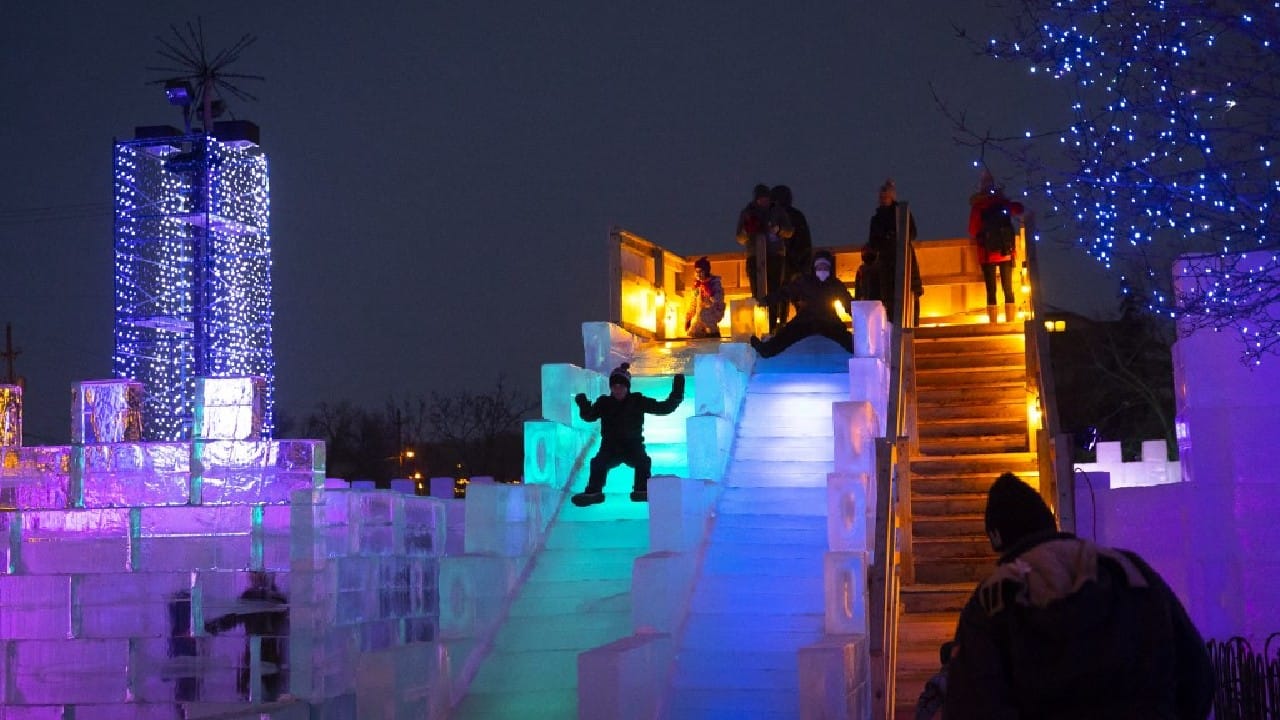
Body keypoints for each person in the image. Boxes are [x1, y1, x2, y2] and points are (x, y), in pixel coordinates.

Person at [943, 473, 1215, 720]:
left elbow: (970, 703)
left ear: (998, 539)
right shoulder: (1127, 570)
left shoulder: (994, 600)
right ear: (1050, 522)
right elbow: (1196, 673)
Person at [572, 363, 685, 507]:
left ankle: (641, 489)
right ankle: (593, 492)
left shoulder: (637, 401)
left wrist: (677, 391)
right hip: (610, 448)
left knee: (643, 461)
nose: (618, 389)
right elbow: (589, 416)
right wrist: (583, 402)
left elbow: (664, 408)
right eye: (615, 386)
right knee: (598, 463)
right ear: (611, 388)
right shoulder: (604, 403)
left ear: (627, 387)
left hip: (633, 446)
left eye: (621, 386)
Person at [749, 249, 854, 358]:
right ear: (814, 268)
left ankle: (860, 349)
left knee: (846, 339)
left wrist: (862, 317)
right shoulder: (805, 282)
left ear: (830, 269)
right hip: (806, 320)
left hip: (828, 320)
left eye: (825, 267)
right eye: (819, 267)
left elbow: (848, 303)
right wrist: (766, 301)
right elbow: (786, 292)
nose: (822, 270)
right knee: (787, 334)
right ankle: (766, 349)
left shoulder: (835, 284)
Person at [204, 571, 290, 702]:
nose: (254, 578)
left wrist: (208, 627)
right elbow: (232, 618)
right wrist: (208, 627)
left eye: (257, 575)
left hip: (267, 652)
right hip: (261, 652)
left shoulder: (275, 599)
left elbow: (231, 618)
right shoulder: (255, 597)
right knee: (252, 690)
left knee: (263, 690)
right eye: (253, 575)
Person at [864, 178, 924, 325]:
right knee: (889, 298)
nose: (883, 199)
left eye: (886, 196)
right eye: (881, 196)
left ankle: (913, 326)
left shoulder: (903, 214)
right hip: (886, 264)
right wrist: (886, 240)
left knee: (910, 293)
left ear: (892, 196)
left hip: (904, 259)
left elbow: (912, 233)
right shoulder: (876, 219)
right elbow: (873, 242)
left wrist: (894, 237)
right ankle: (892, 327)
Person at [968, 168, 1024, 324]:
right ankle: (1010, 321)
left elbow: (972, 229)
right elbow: (1019, 209)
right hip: (1005, 250)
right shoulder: (1002, 202)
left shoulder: (978, 206)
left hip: (986, 252)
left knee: (991, 290)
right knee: (1008, 287)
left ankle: (993, 323)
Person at [735, 183, 793, 332]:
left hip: (775, 256)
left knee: (775, 291)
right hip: (754, 256)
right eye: (761, 199)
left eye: (766, 198)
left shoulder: (777, 211)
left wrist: (777, 229)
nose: (764, 201)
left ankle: (773, 325)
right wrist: (747, 231)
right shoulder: (747, 213)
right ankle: (760, 327)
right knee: (757, 293)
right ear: (756, 199)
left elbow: (789, 231)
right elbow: (739, 238)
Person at [772, 184, 812, 286]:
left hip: (784, 264)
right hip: (793, 264)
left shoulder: (772, 215)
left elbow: (804, 242)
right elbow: (806, 244)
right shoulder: (797, 215)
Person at [685, 256, 726, 338]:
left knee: (710, 335)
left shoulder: (714, 283)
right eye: (696, 271)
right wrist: (688, 317)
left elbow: (719, 300)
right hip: (698, 318)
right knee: (694, 336)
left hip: (710, 316)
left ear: (706, 271)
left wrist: (711, 296)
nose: (698, 274)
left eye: (700, 271)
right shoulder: (697, 285)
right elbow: (693, 302)